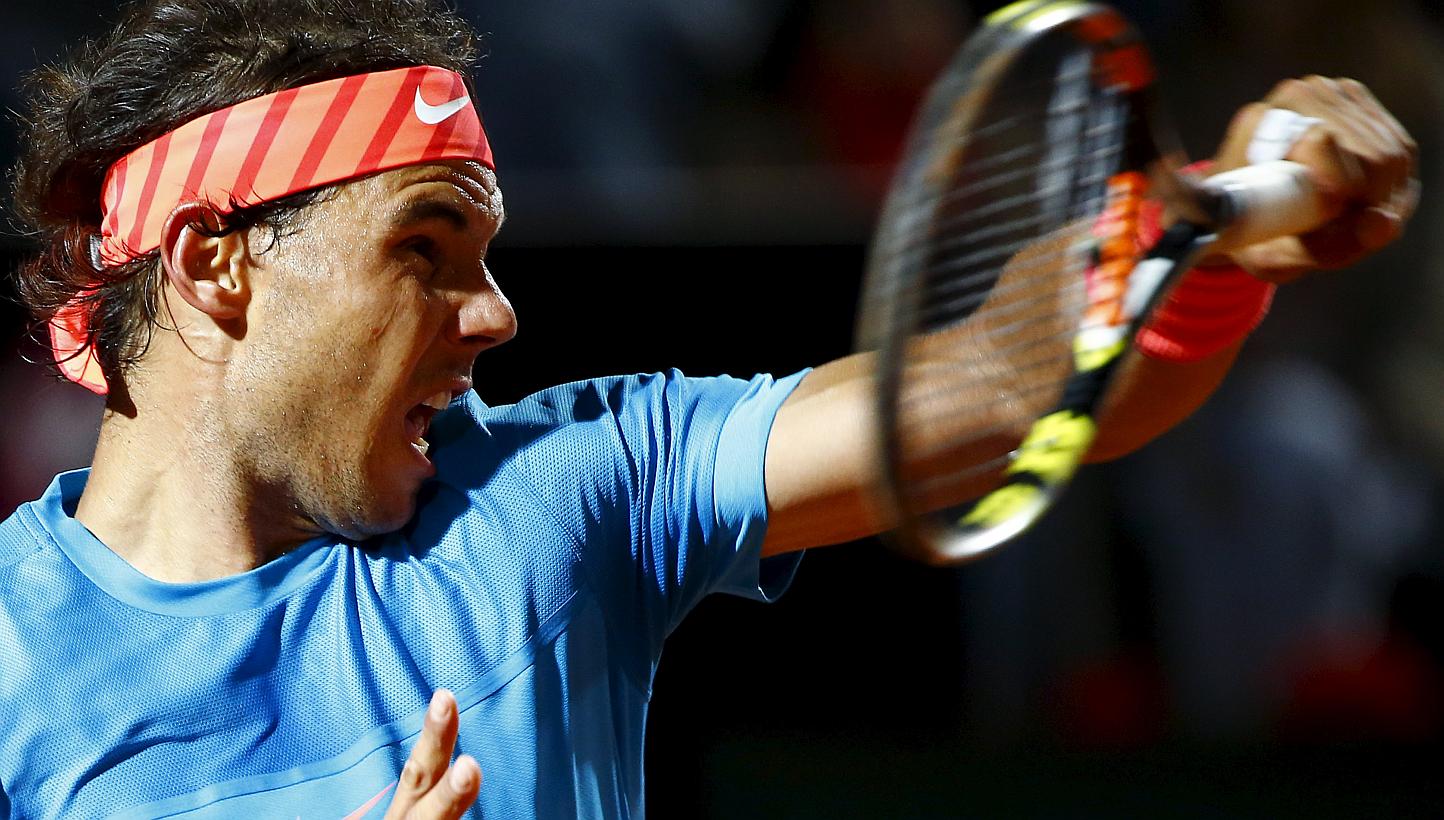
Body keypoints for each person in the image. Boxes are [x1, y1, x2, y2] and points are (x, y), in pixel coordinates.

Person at [0, 0, 1415, 817]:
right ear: (215, 263)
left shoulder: (568, 492)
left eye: (488, 259)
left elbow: (990, 384)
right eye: (425, 250)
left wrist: (1204, 235)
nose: (496, 315)